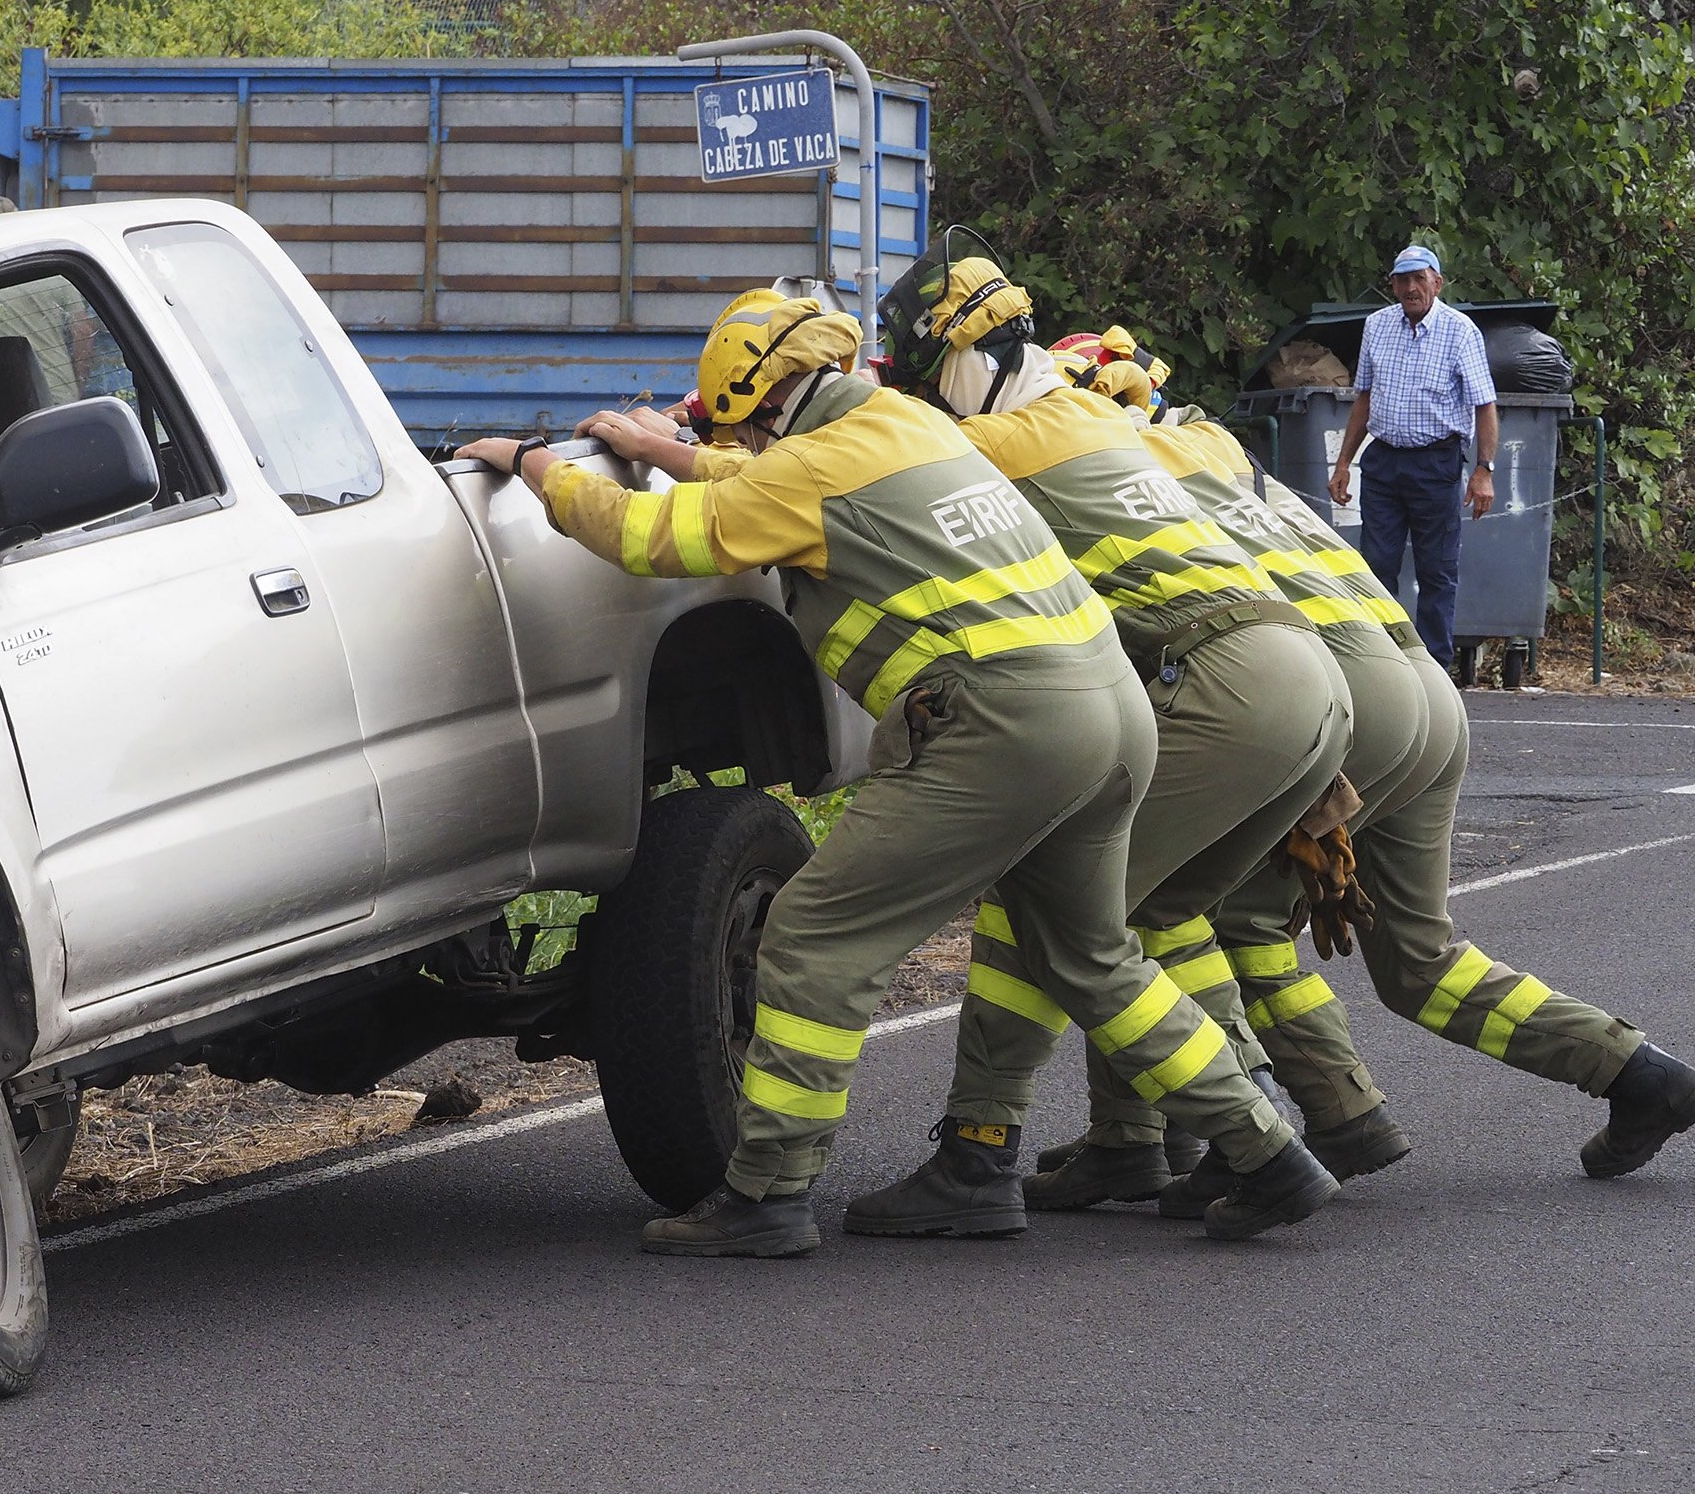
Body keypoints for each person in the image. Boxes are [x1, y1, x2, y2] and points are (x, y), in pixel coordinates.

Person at [457, 290, 1329, 1256]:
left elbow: (653, 539)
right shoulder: (900, 423)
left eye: (729, 418)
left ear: (754, 392)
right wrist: (674, 453)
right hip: (1112, 708)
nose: (730, 435)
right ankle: (1267, 1150)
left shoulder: (806, 472)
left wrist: (537, 467)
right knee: (1092, 955)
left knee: (814, 936)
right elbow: (773, 478)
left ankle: (768, 1195)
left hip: (1006, 725)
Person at [847, 272, 1354, 1228]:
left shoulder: (990, 439)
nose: (921, 394)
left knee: (1049, 912)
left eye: (927, 372)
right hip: (1302, 675)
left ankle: (982, 1154)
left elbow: (865, 456)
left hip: (1226, 681)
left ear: (960, 358)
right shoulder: (1089, 418)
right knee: (1156, 911)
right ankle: (1182, 1138)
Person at [1119, 389, 1695, 1198]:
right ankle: (1639, 1073)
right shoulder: (1238, 473)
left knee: (1225, 917)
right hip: (1422, 688)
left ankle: (1309, 1123)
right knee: (1420, 961)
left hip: (1343, 705)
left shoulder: (1127, 485)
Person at [1328, 245, 1498, 667]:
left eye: (1418, 278)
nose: (1410, 288)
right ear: (1393, 285)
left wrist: (1484, 469)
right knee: (1376, 564)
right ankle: (1384, 663)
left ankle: (1435, 667)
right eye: (1402, 280)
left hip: (1436, 462)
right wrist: (1343, 463)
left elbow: (1485, 405)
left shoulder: (1460, 331)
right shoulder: (1376, 326)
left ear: (1436, 283)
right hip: (1383, 460)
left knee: (1436, 569)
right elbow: (1364, 398)